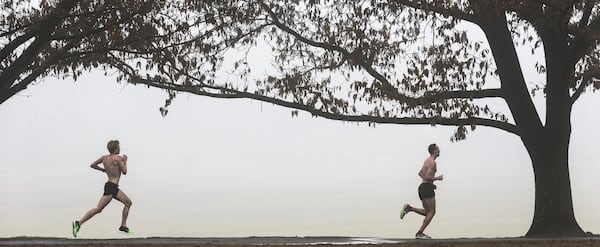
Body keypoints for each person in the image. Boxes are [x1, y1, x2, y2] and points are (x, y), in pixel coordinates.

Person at [72, 140, 133, 238]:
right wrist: (125, 162)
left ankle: (123, 226)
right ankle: (79, 223)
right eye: (119, 147)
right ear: (116, 148)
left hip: (110, 186)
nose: (120, 148)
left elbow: (92, 165)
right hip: (112, 186)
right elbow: (124, 172)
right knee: (100, 208)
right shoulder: (119, 158)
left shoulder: (104, 158)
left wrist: (103, 170)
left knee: (127, 203)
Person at [399, 143, 443, 239]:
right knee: (432, 212)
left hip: (423, 187)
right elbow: (427, 176)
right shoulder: (432, 162)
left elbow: (420, 174)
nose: (440, 151)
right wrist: (437, 178)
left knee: (428, 212)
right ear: (434, 151)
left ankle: (409, 208)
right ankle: (419, 233)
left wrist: (431, 183)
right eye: (438, 149)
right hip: (426, 188)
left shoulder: (427, 161)